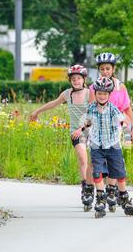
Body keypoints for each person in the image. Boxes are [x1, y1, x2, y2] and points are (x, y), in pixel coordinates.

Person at [30, 65, 93, 211]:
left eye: (78, 78)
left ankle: (100, 188)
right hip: (77, 133)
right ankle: (86, 189)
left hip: (91, 130)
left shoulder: (90, 94)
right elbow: (53, 103)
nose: (76, 81)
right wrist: (37, 111)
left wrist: (81, 128)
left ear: (84, 79)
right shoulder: (67, 94)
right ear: (70, 80)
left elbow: (93, 115)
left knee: (95, 163)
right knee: (83, 159)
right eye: (73, 79)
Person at [74, 77, 133, 219]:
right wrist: (81, 131)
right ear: (95, 94)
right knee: (97, 172)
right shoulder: (91, 108)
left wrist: (129, 135)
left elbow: (122, 121)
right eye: (99, 93)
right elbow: (88, 122)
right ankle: (100, 198)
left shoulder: (113, 109)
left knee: (119, 173)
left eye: (105, 94)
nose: (102, 96)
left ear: (109, 95)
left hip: (113, 145)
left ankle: (124, 197)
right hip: (97, 145)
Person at [87, 53, 133, 209]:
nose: (105, 71)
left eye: (108, 68)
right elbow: (91, 110)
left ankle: (112, 191)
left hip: (116, 131)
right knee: (98, 164)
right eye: (102, 69)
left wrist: (131, 130)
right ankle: (94, 191)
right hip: (99, 132)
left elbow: (127, 110)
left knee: (115, 164)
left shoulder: (121, 87)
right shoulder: (95, 87)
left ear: (113, 69)